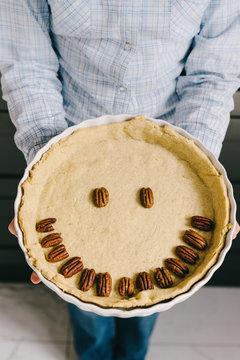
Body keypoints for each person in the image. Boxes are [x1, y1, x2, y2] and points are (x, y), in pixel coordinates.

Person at [1, 1, 240, 359]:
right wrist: (48, 163)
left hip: (173, 145)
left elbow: (212, 75)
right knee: (85, 311)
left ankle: (133, 353)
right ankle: (93, 353)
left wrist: (195, 164)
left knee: (150, 303)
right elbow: (26, 66)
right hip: (69, 136)